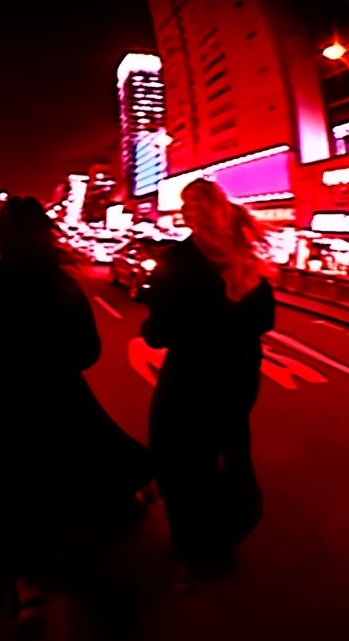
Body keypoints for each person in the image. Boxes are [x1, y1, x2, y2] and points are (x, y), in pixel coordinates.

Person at [0, 196, 153, 628]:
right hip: (47, 408)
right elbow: (87, 352)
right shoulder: (60, 286)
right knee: (41, 494)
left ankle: (16, 581)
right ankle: (34, 582)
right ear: (46, 236)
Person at [141, 178, 276, 589]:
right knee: (228, 451)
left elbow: (159, 333)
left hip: (190, 375)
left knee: (177, 462)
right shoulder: (244, 256)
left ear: (196, 213)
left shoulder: (176, 262)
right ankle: (224, 534)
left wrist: (153, 326)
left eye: (189, 205)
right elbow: (265, 320)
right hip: (238, 375)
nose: (186, 211)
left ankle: (195, 550)